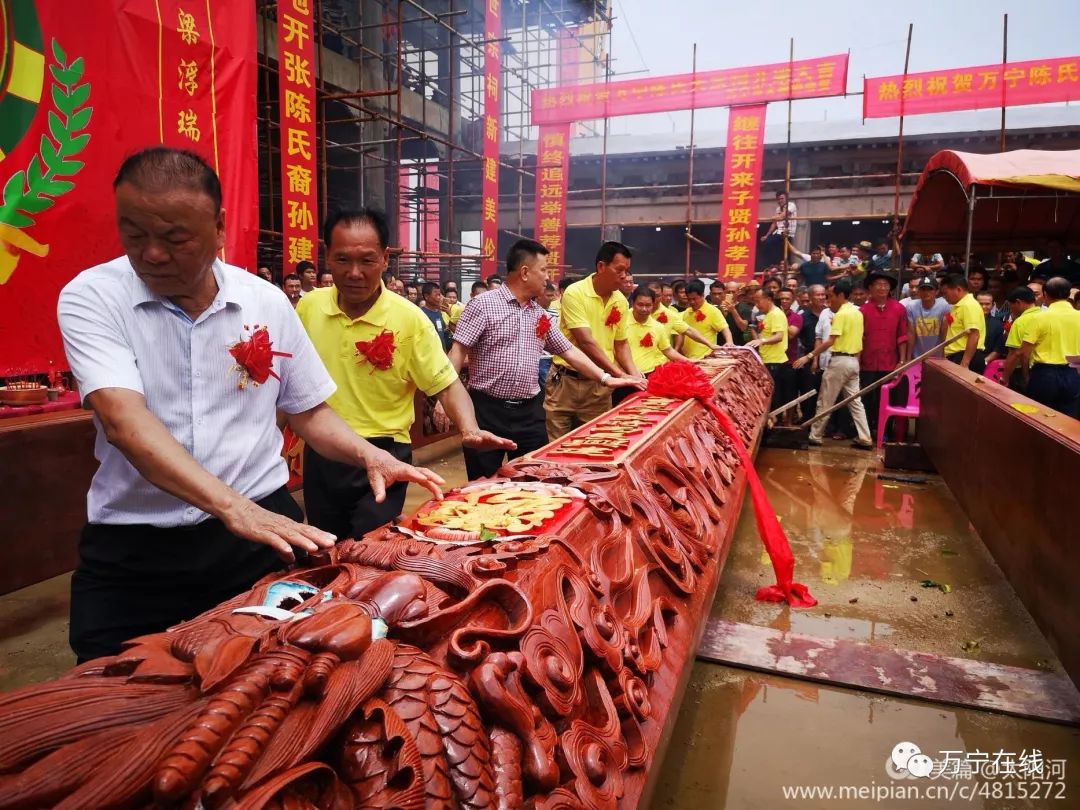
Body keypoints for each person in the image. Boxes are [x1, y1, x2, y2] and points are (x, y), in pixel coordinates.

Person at [56, 148, 444, 661]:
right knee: (110, 689)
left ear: (218, 227)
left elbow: (308, 410)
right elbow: (124, 422)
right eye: (134, 234)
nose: (152, 254)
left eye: (175, 238)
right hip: (136, 543)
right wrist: (232, 507)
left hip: (256, 541)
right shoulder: (93, 297)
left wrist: (369, 454)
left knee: (272, 679)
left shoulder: (264, 301)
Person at [296, 208, 506, 540]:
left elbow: (446, 384)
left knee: (371, 545)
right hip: (325, 451)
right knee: (325, 545)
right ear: (326, 257)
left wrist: (468, 428)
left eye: (366, 261)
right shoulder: (308, 308)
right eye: (342, 260)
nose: (354, 273)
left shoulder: (409, 319)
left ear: (384, 258)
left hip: (387, 449)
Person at [449, 240, 640, 480]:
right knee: (484, 481)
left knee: (536, 477)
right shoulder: (483, 305)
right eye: (544, 270)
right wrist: (445, 396)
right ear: (525, 272)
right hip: (487, 410)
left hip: (529, 411)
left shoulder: (539, 314)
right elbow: (458, 350)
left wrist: (604, 377)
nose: (547, 278)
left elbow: (568, 350)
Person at [545, 242, 644, 439]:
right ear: (601, 266)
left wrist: (635, 376)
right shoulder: (575, 293)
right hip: (566, 382)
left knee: (594, 443)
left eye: (627, 270)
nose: (624, 276)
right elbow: (585, 341)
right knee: (557, 446)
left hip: (599, 387)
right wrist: (618, 374)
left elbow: (621, 343)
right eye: (619, 270)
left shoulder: (620, 301)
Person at [793, 280, 874, 449]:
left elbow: (830, 340)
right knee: (855, 402)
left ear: (841, 295)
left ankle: (815, 435)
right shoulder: (857, 313)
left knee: (825, 400)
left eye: (831, 296)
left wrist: (809, 356)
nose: (830, 300)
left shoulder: (841, 314)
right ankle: (865, 437)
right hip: (853, 362)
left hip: (839, 361)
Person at [1007, 277, 1080, 416]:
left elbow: (1024, 353)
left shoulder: (1040, 318)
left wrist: (1026, 375)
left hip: (1045, 374)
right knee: (1066, 419)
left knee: (1038, 418)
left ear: (1045, 294)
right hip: (1073, 374)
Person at [859, 270, 909, 439]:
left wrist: (902, 360)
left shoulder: (899, 308)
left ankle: (885, 431)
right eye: (878, 284)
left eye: (885, 285)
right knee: (866, 399)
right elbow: (859, 338)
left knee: (888, 398)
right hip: (867, 363)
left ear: (890, 289)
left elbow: (902, 336)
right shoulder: (863, 310)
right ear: (870, 288)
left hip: (890, 363)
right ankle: (867, 432)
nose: (882, 288)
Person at [747, 290, 791, 414]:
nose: (756, 305)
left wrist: (762, 341)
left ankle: (773, 424)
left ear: (768, 299)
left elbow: (779, 336)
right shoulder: (768, 315)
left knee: (773, 398)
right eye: (755, 301)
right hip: (767, 359)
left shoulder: (776, 314)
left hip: (775, 361)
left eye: (758, 301)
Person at [627, 286, 687, 375]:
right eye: (640, 304)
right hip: (624, 374)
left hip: (650, 374)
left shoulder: (658, 326)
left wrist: (689, 361)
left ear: (653, 305)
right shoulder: (622, 321)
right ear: (632, 303)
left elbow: (668, 350)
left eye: (648, 305)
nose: (644, 309)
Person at [939, 273, 986, 372]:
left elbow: (974, 334)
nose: (944, 297)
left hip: (965, 357)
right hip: (955, 356)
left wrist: (965, 363)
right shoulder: (957, 306)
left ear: (958, 289)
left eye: (945, 293)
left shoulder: (969, 305)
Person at [795, 284, 827, 421]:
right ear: (810, 297)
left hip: (827, 357)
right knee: (807, 392)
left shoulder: (830, 313)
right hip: (808, 359)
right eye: (817, 295)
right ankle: (807, 422)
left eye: (823, 294)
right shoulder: (803, 316)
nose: (821, 297)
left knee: (825, 393)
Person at [681, 279, 734, 358]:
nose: (692, 302)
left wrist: (729, 342)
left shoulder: (712, 311)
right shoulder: (686, 313)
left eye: (694, 299)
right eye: (689, 299)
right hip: (688, 358)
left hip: (705, 357)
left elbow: (724, 328)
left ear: (702, 295)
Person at [1002, 286, 1040, 390]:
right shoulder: (1045, 316)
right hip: (1044, 372)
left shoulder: (1021, 322)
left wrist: (1004, 379)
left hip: (1023, 372)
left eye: (1011, 306)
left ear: (1018, 302)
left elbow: (1015, 353)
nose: (1011, 310)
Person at [904, 276, 950, 358]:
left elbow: (946, 332)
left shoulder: (945, 305)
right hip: (917, 356)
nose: (926, 292)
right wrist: (908, 358)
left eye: (930, 289)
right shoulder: (911, 306)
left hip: (938, 357)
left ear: (937, 291)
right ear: (919, 291)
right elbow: (911, 333)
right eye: (923, 289)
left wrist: (944, 356)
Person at [759, 191, 797, 269]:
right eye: (778, 199)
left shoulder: (791, 205)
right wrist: (766, 235)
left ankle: (785, 267)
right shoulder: (777, 209)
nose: (780, 201)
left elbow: (782, 216)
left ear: (786, 198)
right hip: (779, 233)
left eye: (782, 198)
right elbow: (774, 224)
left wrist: (775, 217)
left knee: (785, 253)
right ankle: (771, 265)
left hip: (787, 233)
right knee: (766, 242)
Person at [418, 281, 450, 350]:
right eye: (436, 295)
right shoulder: (421, 314)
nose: (439, 298)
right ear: (426, 296)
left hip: (441, 352)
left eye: (439, 295)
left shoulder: (439, 312)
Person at [977, 292, 1006, 365]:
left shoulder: (998, 324)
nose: (983, 307)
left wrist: (984, 362)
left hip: (985, 362)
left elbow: (998, 348)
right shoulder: (967, 320)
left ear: (993, 305)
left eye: (987, 304)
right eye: (980, 304)